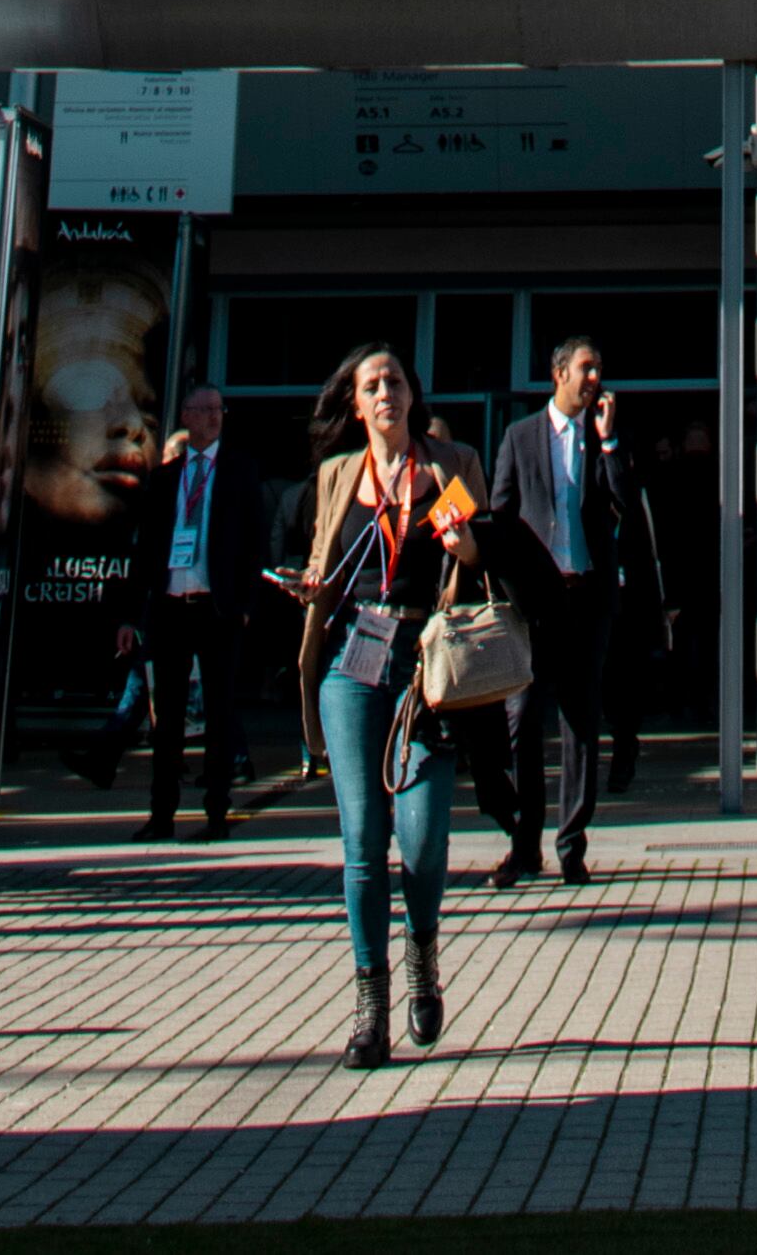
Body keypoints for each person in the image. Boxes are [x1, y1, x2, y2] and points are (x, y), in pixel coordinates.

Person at [291, 348, 486, 1071]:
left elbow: (481, 557)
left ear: (412, 394)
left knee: (425, 837)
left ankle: (423, 948)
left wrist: (465, 543)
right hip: (352, 662)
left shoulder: (449, 465)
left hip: (425, 663)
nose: (385, 395)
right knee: (363, 843)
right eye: (370, 386)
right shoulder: (339, 475)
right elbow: (326, 565)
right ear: (354, 402)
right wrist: (312, 586)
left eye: (394, 382)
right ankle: (370, 1005)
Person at [485, 333, 640, 884]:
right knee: (523, 719)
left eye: (599, 369)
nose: (595, 378)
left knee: (580, 723)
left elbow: (625, 501)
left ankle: (572, 846)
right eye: (586, 368)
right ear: (559, 374)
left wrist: (609, 442)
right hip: (535, 603)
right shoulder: (520, 437)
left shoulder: (603, 440)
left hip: (588, 598)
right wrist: (507, 587)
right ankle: (524, 846)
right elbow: (499, 515)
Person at [112, 383, 268, 839]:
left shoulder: (239, 471)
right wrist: (129, 614)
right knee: (169, 717)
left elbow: (254, 542)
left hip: (216, 608)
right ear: (186, 415)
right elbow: (144, 552)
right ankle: (162, 814)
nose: (214, 417)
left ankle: (216, 811)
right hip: (170, 606)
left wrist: (243, 606)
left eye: (219, 409)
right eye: (204, 410)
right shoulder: (165, 479)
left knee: (219, 713)